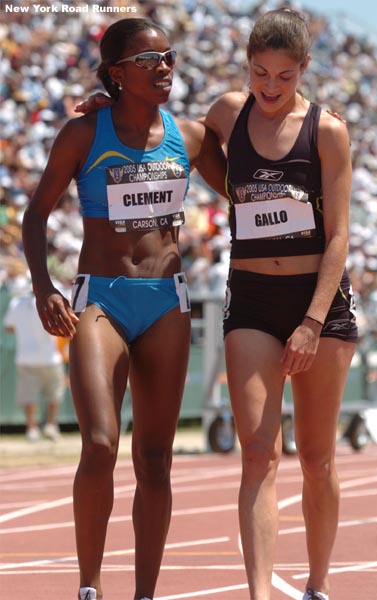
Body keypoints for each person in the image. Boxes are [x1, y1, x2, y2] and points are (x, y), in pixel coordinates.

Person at [22, 17, 226, 600]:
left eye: (171, 56)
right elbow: (35, 216)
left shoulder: (187, 136)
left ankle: (144, 594)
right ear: (116, 73)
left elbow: (245, 190)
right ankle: (89, 587)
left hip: (166, 301)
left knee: (156, 459)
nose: (165, 67)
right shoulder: (84, 134)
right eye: (150, 59)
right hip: (102, 298)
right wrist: (45, 288)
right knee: (101, 443)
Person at [203, 8, 358, 600]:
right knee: (259, 454)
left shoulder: (327, 131)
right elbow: (173, 139)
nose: (269, 87)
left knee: (316, 459)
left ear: (305, 71)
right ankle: (260, 595)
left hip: (317, 303)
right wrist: (104, 102)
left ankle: (317, 586)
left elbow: (339, 235)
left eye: (284, 76)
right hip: (251, 300)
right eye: (259, 72)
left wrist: (313, 323)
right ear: (246, 64)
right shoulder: (225, 112)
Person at [3, 289, 66, 442]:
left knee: (31, 396)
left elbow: (9, 327)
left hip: (28, 357)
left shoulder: (16, 303)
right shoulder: (54, 300)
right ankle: (49, 426)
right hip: (49, 357)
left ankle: (32, 428)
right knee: (53, 394)